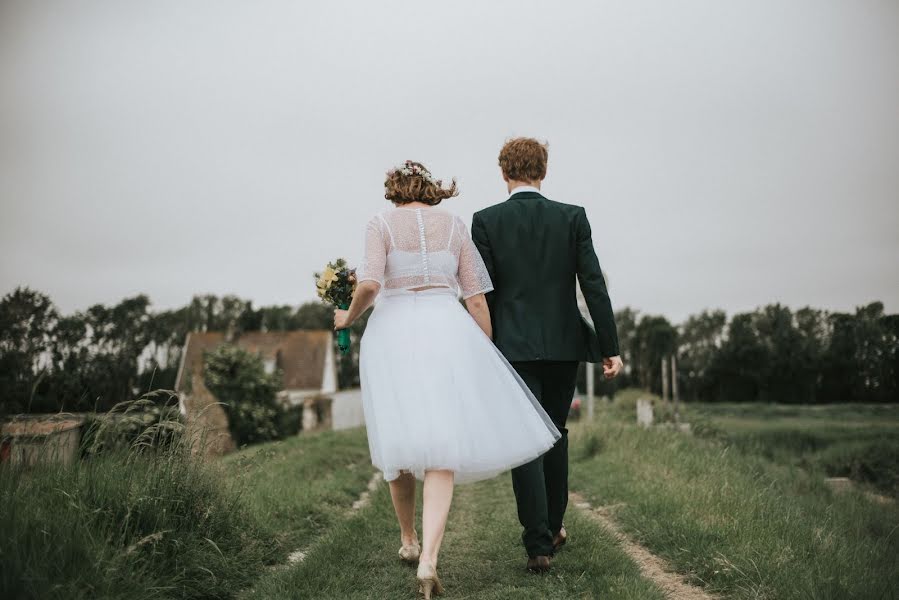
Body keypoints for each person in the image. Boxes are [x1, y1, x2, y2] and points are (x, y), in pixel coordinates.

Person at [333, 160, 560, 598]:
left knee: (395, 432)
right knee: (442, 445)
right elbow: (476, 299)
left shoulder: (379, 223)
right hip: (446, 331)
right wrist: (482, 351)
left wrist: (346, 316)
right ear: (433, 190)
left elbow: (370, 284)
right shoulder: (455, 226)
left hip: (392, 333)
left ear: (395, 191)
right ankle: (429, 559)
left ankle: (407, 538)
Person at [471, 137, 623, 572]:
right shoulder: (572, 217)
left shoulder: (485, 222)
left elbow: (483, 293)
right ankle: (554, 528)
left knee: (525, 440)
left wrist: (482, 348)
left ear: (504, 174)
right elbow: (593, 285)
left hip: (511, 349)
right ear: (544, 171)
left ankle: (538, 544)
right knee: (554, 432)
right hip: (563, 345)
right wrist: (610, 348)